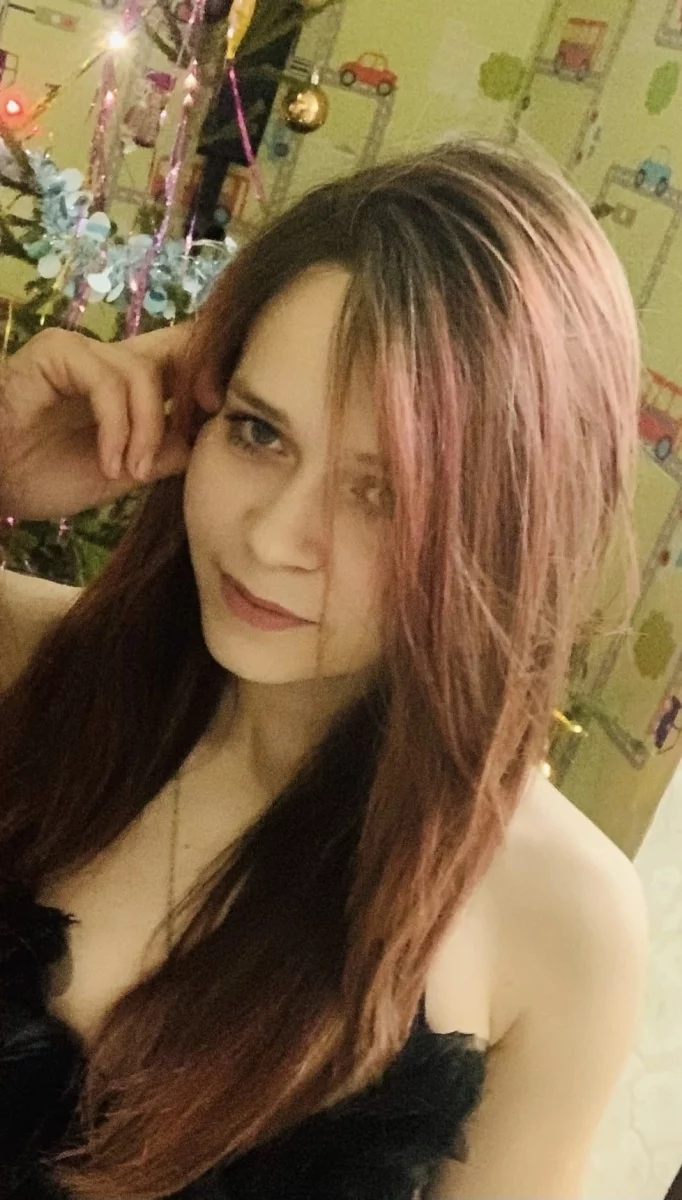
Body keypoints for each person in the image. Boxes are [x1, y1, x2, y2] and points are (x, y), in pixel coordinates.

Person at [0, 137, 649, 1200]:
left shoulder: (557, 916)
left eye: (381, 492)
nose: (273, 538)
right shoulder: (28, 664)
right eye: (258, 432)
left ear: (504, 528)